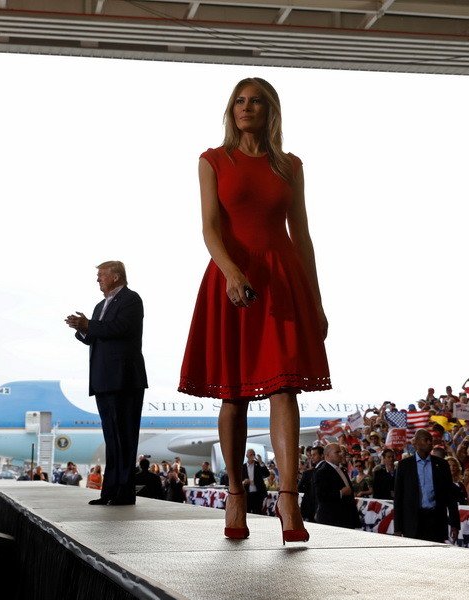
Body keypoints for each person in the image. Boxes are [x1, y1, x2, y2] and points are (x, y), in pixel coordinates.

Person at [177, 77, 330, 545]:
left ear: (270, 111)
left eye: (256, 101)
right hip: (231, 276)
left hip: (282, 279)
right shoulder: (212, 160)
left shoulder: (290, 165)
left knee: (285, 388)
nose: (247, 108)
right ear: (231, 110)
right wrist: (231, 273)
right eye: (240, 101)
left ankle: (288, 499)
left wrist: (316, 300)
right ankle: (236, 493)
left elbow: (302, 234)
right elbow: (209, 227)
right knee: (234, 393)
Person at [66, 260, 148, 506]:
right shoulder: (100, 306)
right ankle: (110, 492)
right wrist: (82, 329)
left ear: (116, 276)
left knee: (125, 438)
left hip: (125, 379)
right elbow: (93, 336)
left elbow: (121, 328)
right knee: (112, 440)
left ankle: (125, 493)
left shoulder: (131, 299)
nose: (98, 279)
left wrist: (89, 325)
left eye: (101, 274)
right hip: (103, 380)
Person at [393, 429, 460, 543]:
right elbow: (398, 498)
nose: (430, 443)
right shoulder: (404, 465)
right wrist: (398, 528)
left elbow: (450, 496)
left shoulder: (442, 464)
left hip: (436, 521)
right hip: (413, 522)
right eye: (426, 440)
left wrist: (454, 524)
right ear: (416, 443)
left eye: (431, 440)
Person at [312, 445, 360, 530]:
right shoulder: (322, 472)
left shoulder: (342, 470)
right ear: (327, 455)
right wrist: (340, 493)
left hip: (347, 518)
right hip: (333, 519)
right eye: (337, 452)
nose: (341, 454)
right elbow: (321, 496)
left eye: (340, 451)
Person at [298, 446, 323, 523]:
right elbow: (299, 488)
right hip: (310, 507)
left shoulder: (309, 473)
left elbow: (300, 488)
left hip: (317, 507)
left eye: (314, 455)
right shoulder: (308, 473)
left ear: (322, 455)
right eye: (311, 455)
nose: (312, 457)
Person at [241, 449, 269, 516]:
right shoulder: (243, 467)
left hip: (258, 493)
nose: (252, 456)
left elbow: (267, 474)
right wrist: (243, 482)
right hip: (247, 494)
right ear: (247, 456)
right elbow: (239, 479)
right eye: (251, 454)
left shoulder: (258, 465)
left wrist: (261, 462)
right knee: (247, 512)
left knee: (258, 512)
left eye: (253, 454)